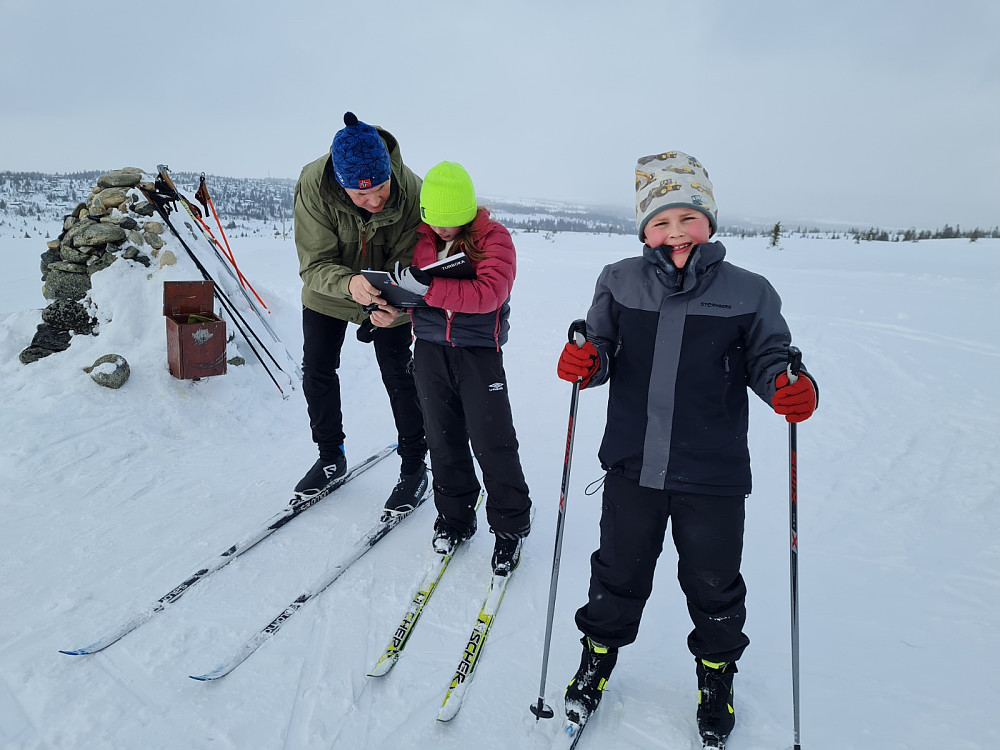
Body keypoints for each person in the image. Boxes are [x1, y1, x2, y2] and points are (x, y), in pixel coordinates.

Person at [555, 151, 818, 747]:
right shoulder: (618, 281)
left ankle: (716, 676)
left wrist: (787, 386)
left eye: (687, 218)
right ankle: (596, 658)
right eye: (660, 222)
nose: (675, 232)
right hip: (632, 465)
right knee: (617, 573)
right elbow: (598, 348)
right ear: (644, 229)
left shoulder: (750, 292)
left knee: (714, 582)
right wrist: (585, 363)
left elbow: (769, 357)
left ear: (709, 220)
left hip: (713, 472)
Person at [386, 161, 531, 575]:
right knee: (443, 437)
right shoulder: (422, 239)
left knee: (493, 441)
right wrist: (391, 299)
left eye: (453, 222)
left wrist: (429, 290)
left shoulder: (495, 239)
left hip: (478, 352)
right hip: (431, 350)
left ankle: (510, 526)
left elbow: (489, 294)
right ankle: (454, 517)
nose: (445, 230)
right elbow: (412, 288)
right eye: (438, 222)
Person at [292, 112, 428, 515]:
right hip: (330, 290)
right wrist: (350, 285)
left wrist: (393, 308)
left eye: (380, 190)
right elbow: (313, 263)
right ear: (340, 182)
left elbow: (412, 269)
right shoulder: (314, 185)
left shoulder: (412, 192)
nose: (374, 202)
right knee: (317, 369)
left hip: (388, 295)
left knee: (400, 374)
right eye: (360, 195)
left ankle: (413, 466)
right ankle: (330, 455)